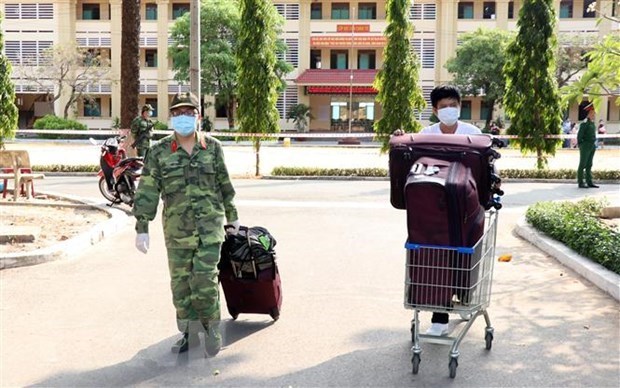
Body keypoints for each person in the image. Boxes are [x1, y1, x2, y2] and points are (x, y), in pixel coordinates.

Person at [132, 92, 240, 357]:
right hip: (177, 232)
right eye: (178, 113)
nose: (183, 118)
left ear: (198, 116)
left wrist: (233, 216)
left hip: (209, 229)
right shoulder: (158, 152)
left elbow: (224, 184)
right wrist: (142, 227)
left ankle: (212, 329)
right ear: (171, 117)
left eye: (189, 113)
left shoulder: (212, 147)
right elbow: (148, 190)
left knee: (204, 282)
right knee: (181, 288)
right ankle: (190, 334)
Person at [421, 85, 483, 336]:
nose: (449, 110)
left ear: (460, 107)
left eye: (453, 105)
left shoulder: (473, 133)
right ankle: (440, 316)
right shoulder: (426, 134)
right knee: (439, 259)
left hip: (468, 205)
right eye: (443, 106)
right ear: (435, 110)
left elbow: (487, 163)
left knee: (466, 255)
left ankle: (466, 297)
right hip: (438, 207)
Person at [577, 104, 599, 188]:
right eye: (593, 113)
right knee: (582, 164)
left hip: (592, 145)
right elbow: (580, 135)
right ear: (589, 113)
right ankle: (580, 182)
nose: (594, 115)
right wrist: (581, 144)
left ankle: (589, 181)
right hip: (585, 145)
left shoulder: (592, 123)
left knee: (589, 164)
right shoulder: (584, 123)